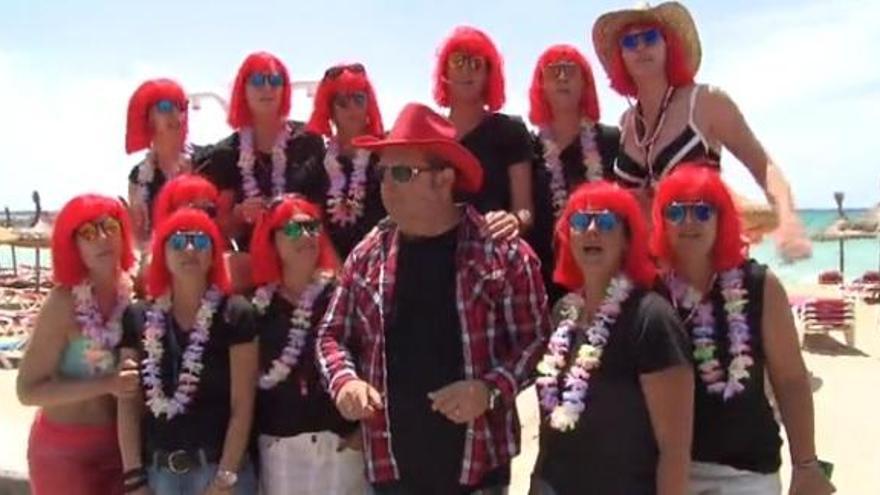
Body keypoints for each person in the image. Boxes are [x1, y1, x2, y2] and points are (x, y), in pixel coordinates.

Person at [316, 103, 549, 494]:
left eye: (402, 173)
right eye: (383, 172)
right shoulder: (367, 253)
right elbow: (331, 335)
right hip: (391, 473)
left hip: (478, 473)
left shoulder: (503, 254)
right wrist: (345, 382)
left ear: (444, 180)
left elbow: (536, 342)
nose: (387, 184)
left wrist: (489, 390)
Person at [652, 164, 835, 495]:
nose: (688, 221)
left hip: (746, 474)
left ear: (721, 220)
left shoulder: (759, 285)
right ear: (661, 221)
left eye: (702, 211)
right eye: (676, 211)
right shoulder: (651, 292)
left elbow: (791, 380)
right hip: (666, 474)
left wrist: (806, 464)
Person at [591, 1, 811, 260]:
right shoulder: (627, 123)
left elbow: (763, 166)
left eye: (650, 37)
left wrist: (787, 219)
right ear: (621, 57)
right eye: (629, 42)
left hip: (708, 267)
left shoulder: (705, 102)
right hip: (652, 273)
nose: (640, 47)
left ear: (668, 45)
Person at [530, 181, 693, 495]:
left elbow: (674, 451)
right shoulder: (564, 312)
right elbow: (550, 430)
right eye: (579, 221)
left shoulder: (651, 318)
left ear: (627, 240)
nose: (591, 229)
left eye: (605, 222)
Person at [116, 209, 258, 494]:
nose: (190, 249)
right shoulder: (138, 316)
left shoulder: (236, 313)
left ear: (214, 254)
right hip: (159, 476)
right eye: (178, 242)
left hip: (220, 471)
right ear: (163, 254)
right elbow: (128, 403)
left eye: (201, 241)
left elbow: (242, 405)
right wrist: (134, 478)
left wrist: (225, 478)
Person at [17, 194, 137, 495]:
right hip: (63, 453)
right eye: (87, 232)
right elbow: (27, 390)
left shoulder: (138, 293)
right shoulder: (63, 303)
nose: (102, 238)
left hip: (124, 451)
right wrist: (107, 384)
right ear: (73, 246)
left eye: (110, 226)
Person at [249, 194, 367, 494]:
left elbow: (374, 358)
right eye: (291, 229)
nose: (305, 236)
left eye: (312, 227)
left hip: (341, 444)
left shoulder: (345, 295)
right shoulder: (257, 308)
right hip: (280, 448)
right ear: (271, 240)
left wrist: (362, 435)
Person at [200, 51, 327, 251]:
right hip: (253, 260)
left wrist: (295, 212)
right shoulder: (226, 153)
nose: (267, 87)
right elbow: (222, 228)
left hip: (304, 250)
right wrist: (241, 214)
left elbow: (321, 213)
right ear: (243, 89)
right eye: (258, 81)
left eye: (275, 80)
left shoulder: (309, 141)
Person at [527, 43, 621, 305]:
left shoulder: (611, 141)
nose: (562, 77)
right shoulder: (529, 149)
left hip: (604, 283)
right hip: (543, 286)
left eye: (570, 70)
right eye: (553, 71)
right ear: (541, 85)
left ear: (585, 83)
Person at [433, 26, 535, 240]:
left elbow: (525, 210)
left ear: (490, 74)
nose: (467, 70)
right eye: (458, 61)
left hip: (492, 253)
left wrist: (514, 221)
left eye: (476, 63)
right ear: (445, 71)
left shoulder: (510, 131)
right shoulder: (430, 134)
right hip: (435, 253)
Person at [305, 62, 386, 259]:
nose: (352, 108)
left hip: (380, 262)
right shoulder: (317, 162)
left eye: (358, 99)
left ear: (369, 104)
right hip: (330, 270)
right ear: (330, 110)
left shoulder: (385, 155)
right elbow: (312, 223)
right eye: (342, 102)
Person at [125, 79, 203, 244]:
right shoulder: (138, 176)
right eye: (165, 107)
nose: (175, 113)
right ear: (146, 118)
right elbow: (142, 239)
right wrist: (135, 228)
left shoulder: (207, 160)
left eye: (180, 106)